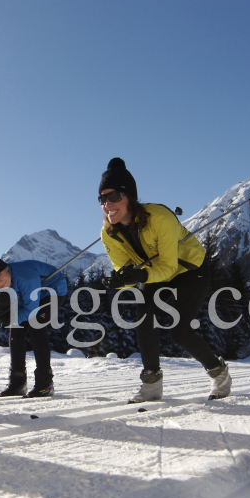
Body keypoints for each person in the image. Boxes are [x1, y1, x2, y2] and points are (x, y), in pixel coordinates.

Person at [96, 158, 231, 404]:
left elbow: (168, 266)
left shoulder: (159, 217)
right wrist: (120, 280)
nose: (107, 204)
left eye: (114, 196)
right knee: (143, 313)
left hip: (189, 268)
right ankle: (151, 384)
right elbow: (125, 269)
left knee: (178, 329)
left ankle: (219, 373)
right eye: (102, 199)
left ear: (130, 197)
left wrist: (140, 275)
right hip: (153, 272)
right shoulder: (109, 233)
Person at [0, 253, 67, 398]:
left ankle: (45, 384)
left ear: (6, 268)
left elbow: (31, 310)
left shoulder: (25, 276)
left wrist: (12, 318)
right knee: (16, 331)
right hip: (26, 295)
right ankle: (17, 384)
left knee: (36, 327)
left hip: (51, 291)